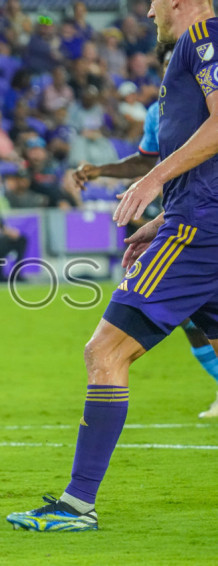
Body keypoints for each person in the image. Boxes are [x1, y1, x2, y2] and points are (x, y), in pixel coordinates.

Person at [8, 0, 218, 532]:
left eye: (153, 1)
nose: (148, 13)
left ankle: (77, 505)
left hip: (198, 232)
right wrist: (161, 216)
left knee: (104, 351)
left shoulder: (205, 37)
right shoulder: (193, 50)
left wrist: (152, 184)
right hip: (198, 221)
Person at [72, 41, 218, 419]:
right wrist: (101, 171)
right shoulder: (159, 112)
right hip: (184, 216)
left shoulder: (210, 107)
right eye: (166, 64)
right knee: (193, 319)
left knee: (107, 347)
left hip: (200, 222)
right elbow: (146, 160)